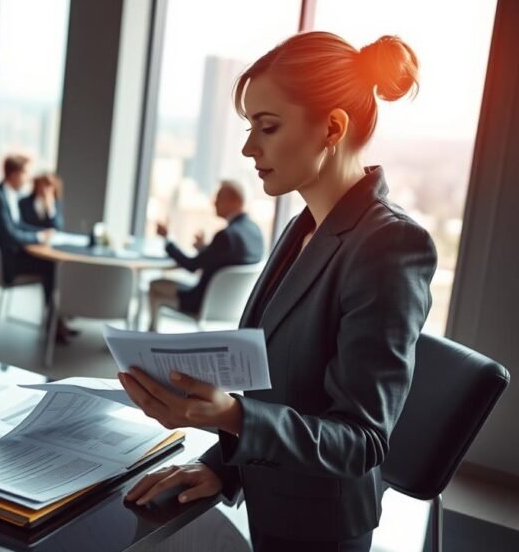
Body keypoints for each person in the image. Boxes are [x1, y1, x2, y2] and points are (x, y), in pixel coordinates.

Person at [118, 32, 436, 552]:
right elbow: (283, 386)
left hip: (319, 527)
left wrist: (231, 416)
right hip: (270, 497)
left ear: (332, 127)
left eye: (267, 127)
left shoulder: (391, 245)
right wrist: (222, 465)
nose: (248, 147)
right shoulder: (303, 227)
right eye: (249, 128)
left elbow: (361, 441)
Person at [0, 155, 74, 342]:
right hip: (0, 264)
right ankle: (54, 324)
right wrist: (38, 236)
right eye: (26, 173)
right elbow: (10, 235)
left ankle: (56, 322)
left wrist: (42, 233)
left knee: (50, 266)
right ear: (14, 174)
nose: (28, 178)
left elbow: (17, 226)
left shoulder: (6, 195)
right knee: (51, 267)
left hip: (5, 256)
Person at [148, 180, 263, 331]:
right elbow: (226, 258)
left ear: (235, 201)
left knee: (155, 285)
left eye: (218, 197)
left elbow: (191, 266)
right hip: (231, 306)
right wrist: (204, 248)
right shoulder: (254, 231)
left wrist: (167, 238)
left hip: (201, 302)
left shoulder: (225, 236)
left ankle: (151, 336)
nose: (213, 202)